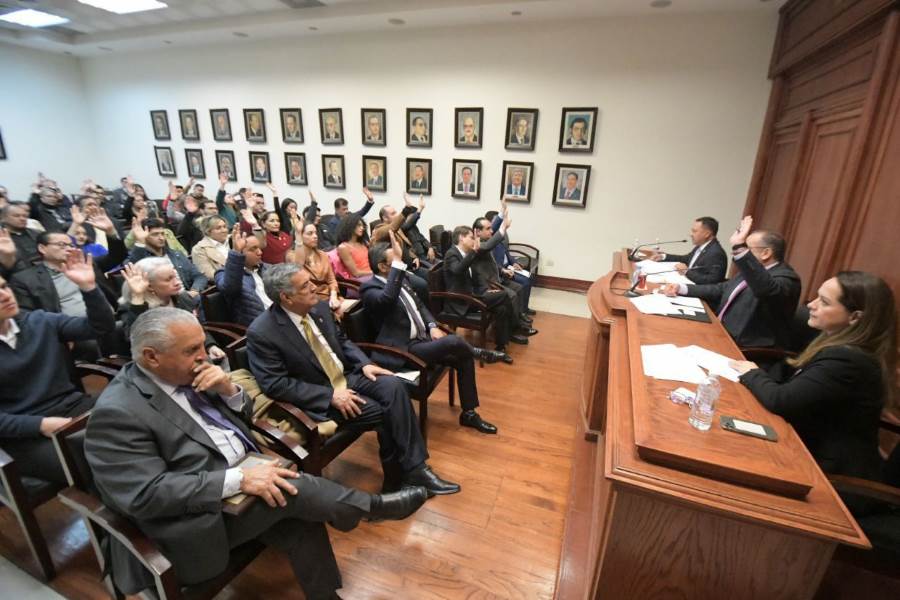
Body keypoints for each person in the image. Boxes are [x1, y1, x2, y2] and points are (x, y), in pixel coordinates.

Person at [84, 307, 428, 598]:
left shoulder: (189, 373)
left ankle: (326, 594)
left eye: (203, 344)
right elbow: (145, 494)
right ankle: (372, 508)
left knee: (297, 510)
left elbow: (246, 414)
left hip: (238, 482)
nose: (204, 355)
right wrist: (238, 480)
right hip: (193, 521)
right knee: (293, 489)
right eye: (191, 350)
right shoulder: (118, 412)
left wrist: (228, 389)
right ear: (151, 357)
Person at [246, 263, 460, 495]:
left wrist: (365, 363)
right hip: (319, 394)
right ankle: (404, 477)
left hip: (347, 375)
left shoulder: (319, 307)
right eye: (305, 285)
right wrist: (330, 396)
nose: (314, 287)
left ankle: (411, 473)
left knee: (394, 385)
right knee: (385, 412)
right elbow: (275, 384)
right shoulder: (263, 332)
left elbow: (343, 341)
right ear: (286, 297)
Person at [730, 271, 895, 485]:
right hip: (803, 441)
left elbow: (780, 400)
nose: (811, 305)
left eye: (824, 302)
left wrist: (751, 373)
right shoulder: (835, 342)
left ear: (855, 317)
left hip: (828, 474)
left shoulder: (848, 360)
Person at [362, 236, 501, 433]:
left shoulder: (401, 279)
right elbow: (387, 299)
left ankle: (469, 414)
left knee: (462, 357)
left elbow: (419, 305)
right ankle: (478, 352)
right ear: (383, 267)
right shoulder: (369, 289)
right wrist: (398, 267)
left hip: (422, 339)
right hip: (403, 350)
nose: (402, 264)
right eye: (396, 261)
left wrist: (432, 325)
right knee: (453, 341)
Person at [0, 252, 115, 485]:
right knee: (96, 461)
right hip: (25, 431)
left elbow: (100, 327)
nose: (4, 295)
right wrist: (41, 425)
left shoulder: (38, 321)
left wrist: (89, 288)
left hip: (72, 405)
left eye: (4, 287)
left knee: (139, 423)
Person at [663, 216, 801, 349]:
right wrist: (682, 288)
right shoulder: (753, 271)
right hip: (719, 330)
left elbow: (764, 289)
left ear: (766, 253)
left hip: (744, 346)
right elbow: (721, 288)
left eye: (747, 249)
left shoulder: (786, 279)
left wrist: (739, 246)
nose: (740, 254)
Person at [444, 224, 527, 362]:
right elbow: (458, 270)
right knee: (504, 295)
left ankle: (501, 347)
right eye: (471, 237)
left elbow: (475, 278)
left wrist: (486, 290)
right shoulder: (451, 254)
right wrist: (473, 252)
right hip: (461, 301)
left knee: (501, 308)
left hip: (472, 295)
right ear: (461, 238)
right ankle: (516, 327)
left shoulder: (467, 254)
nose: (474, 240)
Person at [119, 258, 225, 360]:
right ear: (150, 286)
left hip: (194, 353)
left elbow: (197, 328)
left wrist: (210, 346)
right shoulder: (133, 307)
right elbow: (135, 339)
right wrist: (138, 297)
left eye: (175, 276)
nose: (177, 282)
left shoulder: (182, 297)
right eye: (169, 279)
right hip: (164, 362)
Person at [472, 216, 536, 334]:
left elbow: (493, 263)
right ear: (478, 232)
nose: (491, 231)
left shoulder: (485, 242)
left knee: (518, 288)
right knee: (512, 295)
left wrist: (502, 271)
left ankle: (519, 319)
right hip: (487, 285)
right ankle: (515, 329)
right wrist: (502, 223)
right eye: (488, 228)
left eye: (491, 228)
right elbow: (489, 243)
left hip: (496, 278)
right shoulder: (478, 246)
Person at [128, 218, 208, 294]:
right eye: (155, 234)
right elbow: (134, 266)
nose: (161, 238)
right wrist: (140, 242)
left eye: (163, 234)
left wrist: (195, 290)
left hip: (188, 295)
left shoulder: (176, 254)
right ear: (144, 236)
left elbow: (199, 276)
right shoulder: (142, 258)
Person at [215, 226, 270, 326]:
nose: (260, 252)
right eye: (253, 249)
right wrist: (236, 253)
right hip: (260, 325)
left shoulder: (266, 267)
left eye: (259, 248)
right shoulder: (222, 273)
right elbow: (231, 289)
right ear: (240, 252)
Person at [650, 216, 728, 285]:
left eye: (694, 231)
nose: (691, 234)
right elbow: (687, 259)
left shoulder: (716, 253)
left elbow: (712, 282)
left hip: (698, 294)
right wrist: (663, 256)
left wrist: (687, 272)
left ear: (707, 234)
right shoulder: (702, 246)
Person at [488, 206, 536, 316]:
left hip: (509, 266)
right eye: (497, 221)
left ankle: (524, 308)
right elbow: (493, 263)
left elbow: (507, 254)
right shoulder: (491, 240)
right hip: (502, 271)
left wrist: (514, 263)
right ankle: (521, 311)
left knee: (530, 277)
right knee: (524, 282)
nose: (500, 223)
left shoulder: (501, 236)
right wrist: (505, 269)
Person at [291, 222, 344, 314]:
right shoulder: (292, 256)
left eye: (315, 233)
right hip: (311, 300)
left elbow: (331, 280)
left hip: (330, 295)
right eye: (310, 233)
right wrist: (298, 234)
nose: (315, 236)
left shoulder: (322, 254)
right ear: (299, 236)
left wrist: (333, 296)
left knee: (356, 309)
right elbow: (298, 266)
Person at [2, 202, 41, 273]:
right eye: (16, 216)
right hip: (18, 275)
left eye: (25, 216)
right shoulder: (2, 238)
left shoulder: (37, 233)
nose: (22, 219)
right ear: (3, 218)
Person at [190, 215, 230, 280]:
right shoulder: (199, 249)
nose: (224, 230)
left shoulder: (234, 239)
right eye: (218, 228)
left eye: (224, 227)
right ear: (208, 231)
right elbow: (209, 275)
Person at [335, 213, 372, 281]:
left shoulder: (364, 243)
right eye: (359, 225)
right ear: (350, 226)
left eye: (362, 225)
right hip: (358, 281)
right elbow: (356, 273)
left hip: (371, 276)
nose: (362, 228)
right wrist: (374, 273)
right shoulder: (343, 247)